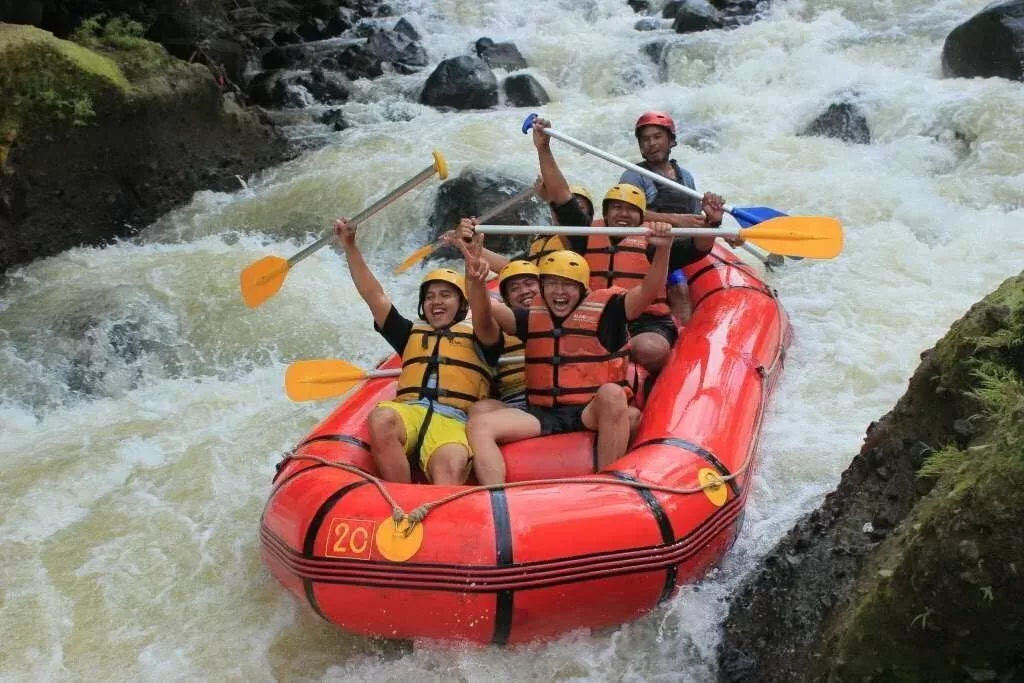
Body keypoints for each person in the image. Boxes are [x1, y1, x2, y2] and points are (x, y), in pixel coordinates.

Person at [459, 223, 672, 485]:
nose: (559, 292)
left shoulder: (609, 310)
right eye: (552, 284)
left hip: (588, 411)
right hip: (542, 414)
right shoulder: (530, 317)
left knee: (613, 395)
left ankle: (609, 485)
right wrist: (475, 278)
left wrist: (663, 250)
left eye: (567, 285)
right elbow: (485, 309)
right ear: (543, 288)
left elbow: (648, 291)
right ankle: (497, 498)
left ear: (582, 289)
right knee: (480, 425)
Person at [530, 117, 724, 377]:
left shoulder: (651, 244)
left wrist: (712, 222)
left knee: (651, 349)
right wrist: (544, 148)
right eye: (617, 208)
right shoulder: (585, 236)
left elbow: (699, 247)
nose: (623, 215)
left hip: (646, 321)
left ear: (641, 216)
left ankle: (631, 363)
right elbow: (560, 194)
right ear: (605, 213)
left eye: (631, 210)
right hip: (595, 316)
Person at [334, 218, 498, 485]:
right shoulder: (409, 334)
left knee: (453, 462)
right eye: (430, 296)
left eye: (445, 295)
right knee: (382, 417)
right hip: (409, 413)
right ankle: (400, 503)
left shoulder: (481, 335)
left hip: (453, 421)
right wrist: (350, 246)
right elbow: (374, 295)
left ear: (460, 304)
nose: (436, 301)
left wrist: (475, 277)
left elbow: (483, 314)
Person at [621, 111, 728, 324]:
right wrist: (678, 221)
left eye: (657, 137)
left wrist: (714, 224)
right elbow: (627, 215)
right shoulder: (633, 175)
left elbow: (694, 219)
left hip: (677, 246)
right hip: (645, 245)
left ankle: (682, 345)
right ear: (640, 146)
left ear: (671, 140)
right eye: (645, 139)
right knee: (678, 288)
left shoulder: (685, 176)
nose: (651, 143)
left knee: (679, 286)